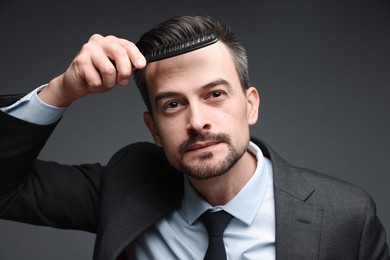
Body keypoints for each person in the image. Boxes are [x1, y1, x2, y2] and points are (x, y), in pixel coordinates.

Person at [0, 15, 389, 260]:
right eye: (172, 105)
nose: (197, 121)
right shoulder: (124, 186)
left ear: (250, 105)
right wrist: (61, 90)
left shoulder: (345, 216)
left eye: (215, 95)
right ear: (153, 129)